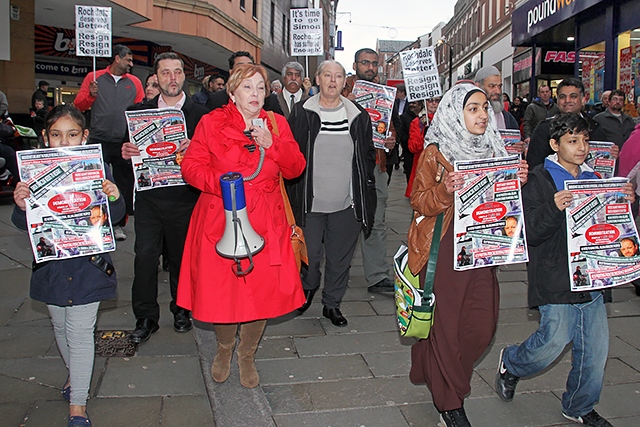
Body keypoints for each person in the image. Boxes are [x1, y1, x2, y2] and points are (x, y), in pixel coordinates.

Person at [495, 113, 633, 427]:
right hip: (556, 275)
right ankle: (513, 363)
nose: (582, 147)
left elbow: (614, 230)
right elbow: (528, 231)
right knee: (552, 342)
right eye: (573, 141)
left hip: (593, 277)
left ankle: (579, 406)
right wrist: (554, 208)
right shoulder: (540, 179)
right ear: (555, 144)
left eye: (585, 140)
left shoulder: (596, 178)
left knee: (595, 351)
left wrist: (625, 203)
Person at [177, 63, 306, 388]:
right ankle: (224, 348)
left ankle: (246, 355)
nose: (255, 94)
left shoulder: (275, 124)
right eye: (247, 87)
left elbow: (295, 168)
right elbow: (191, 166)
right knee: (224, 292)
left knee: (260, 293)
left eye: (260, 88)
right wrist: (221, 183)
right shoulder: (211, 122)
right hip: (221, 218)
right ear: (232, 92)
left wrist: (271, 144)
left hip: (266, 221)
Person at [407, 83, 528, 427]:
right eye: (472, 108)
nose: (481, 115)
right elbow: (418, 200)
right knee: (447, 324)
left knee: (481, 326)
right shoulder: (436, 151)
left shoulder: (497, 148)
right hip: (445, 248)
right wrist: (444, 191)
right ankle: (450, 402)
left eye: (485, 108)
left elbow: (504, 203)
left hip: (483, 249)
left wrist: (518, 179)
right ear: (455, 112)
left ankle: (430, 361)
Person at [12, 104, 125, 427]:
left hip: (88, 265)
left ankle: (78, 405)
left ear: (84, 136)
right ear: (46, 138)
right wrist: (22, 205)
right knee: (60, 326)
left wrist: (115, 197)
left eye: (72, 135)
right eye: (57, 135)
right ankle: (75, 378)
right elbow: (22, 222)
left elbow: (114, 218)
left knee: (79, 332)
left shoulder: (99, 169)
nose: (65, 142)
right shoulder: (33, 172)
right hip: (51, 267)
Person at [120, 52, 209, 344]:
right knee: (145, 257)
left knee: (181, 258)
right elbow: (125, 153)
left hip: (185, 198)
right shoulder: (138, 112)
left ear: (185, 76)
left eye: (178, 72)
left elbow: (215, 157)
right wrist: (126, 153)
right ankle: (145, 317)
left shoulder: (201, 115)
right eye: (166, 73)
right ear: (156, 78)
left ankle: (182, 308)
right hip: (148, 198)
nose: (172, 78)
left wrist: (196, 147)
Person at [287, 60, 376, 326]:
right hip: (310, 205)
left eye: (338, 76)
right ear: (317, 79)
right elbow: (291, 153)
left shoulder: (358, 115)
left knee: (340, 260)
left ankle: (332, 304)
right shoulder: (302, 112)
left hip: (346, 206)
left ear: (344, 81)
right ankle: (308, 286)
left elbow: (367, 155)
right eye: (328, 75)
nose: (333, 81)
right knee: (310, 257)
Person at [74, 44, 144, 241]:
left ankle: (118, 224)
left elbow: (139, 110)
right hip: (99, 138)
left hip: (122, 140)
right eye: (128, 60)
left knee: (123, 183)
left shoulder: (135, 83)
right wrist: (91, 95)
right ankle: (95, 220)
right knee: (97, 182)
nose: (131, 64)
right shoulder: (93, 78)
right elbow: (79, 105)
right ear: (117, 58)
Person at [342, 47, 397, 294]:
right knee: (342, 221)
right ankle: (335, 276)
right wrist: (345, 107)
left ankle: (377, 275)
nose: (371, 68)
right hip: (346, 167)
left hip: (376, 165)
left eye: (374, 63)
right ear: (355, 65)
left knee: (377, 221)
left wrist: (390, 140)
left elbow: (390, 129)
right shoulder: (342, 92)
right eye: (365, 63)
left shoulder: (384, 95)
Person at [527, 78, 609, 170]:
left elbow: (603, 165)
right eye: (562, 97)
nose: (567, 100)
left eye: (573, 96)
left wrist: (611, 156)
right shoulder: (544, 128)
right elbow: (534, 165)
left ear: (583, 100)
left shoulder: (594, 127)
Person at [206, 51, 283, 115]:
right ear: (231, 72)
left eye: (249, 65)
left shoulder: (269, 99)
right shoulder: (216, 100)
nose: (246, 69)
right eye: (241, 66)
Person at [406, 97, 440, 197]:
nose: (434, 103)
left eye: (437, 101)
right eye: (430, 100)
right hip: (423, 167)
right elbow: (413, 147)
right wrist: (424, 136)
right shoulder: (418, 122)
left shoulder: (447, 120)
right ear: (424, 102)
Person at [474, 66, 520, 131]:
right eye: (492, 86)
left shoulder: (508, 118)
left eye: (499, 86)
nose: (497, 91)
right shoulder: (468, 117)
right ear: (478, 87)